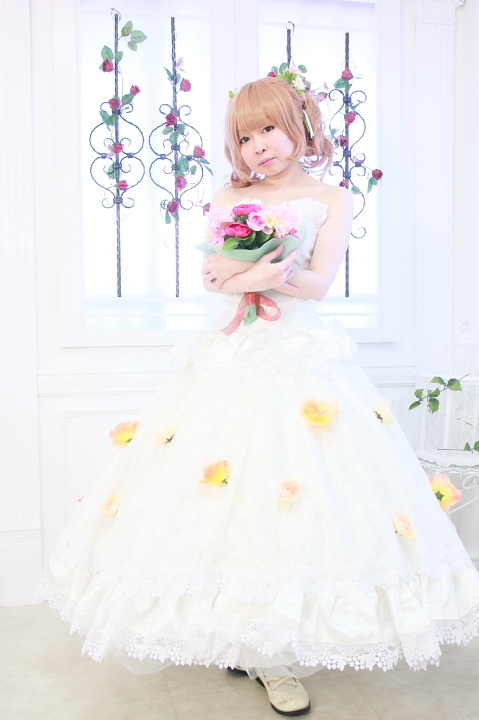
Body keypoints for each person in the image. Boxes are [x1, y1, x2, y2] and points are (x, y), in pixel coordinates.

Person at [39, 73, 479, 718]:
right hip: (231, 354)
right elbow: (211, 274)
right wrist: (246, 273)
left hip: (299, 355)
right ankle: (244, 638)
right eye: (245, 137)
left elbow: (319, 283)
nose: (258, 147)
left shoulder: (331, 197)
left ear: (301, 127)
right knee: (222, 493)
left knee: (293, 493)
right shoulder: (229, 195)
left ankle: (276, 648)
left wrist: (271, 273)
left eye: (269, 129)